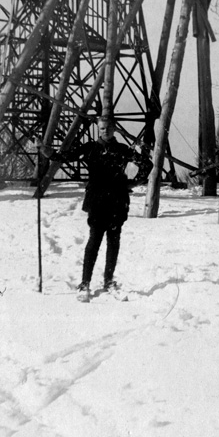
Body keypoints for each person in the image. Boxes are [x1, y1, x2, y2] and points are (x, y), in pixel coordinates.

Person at [42, 116, 150, 302]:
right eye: (101, 128)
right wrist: (47, 152)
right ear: (98, 129)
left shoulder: (123, 150)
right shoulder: (90, 148)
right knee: (94, 241)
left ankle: (109, 281)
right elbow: (65, 157)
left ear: (114, 129)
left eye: (108, 128)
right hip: (97, 201)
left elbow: (147, 164)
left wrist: (133, 182)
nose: (105, 131)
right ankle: (85, 283)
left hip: (117, 200)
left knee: (113, 241)